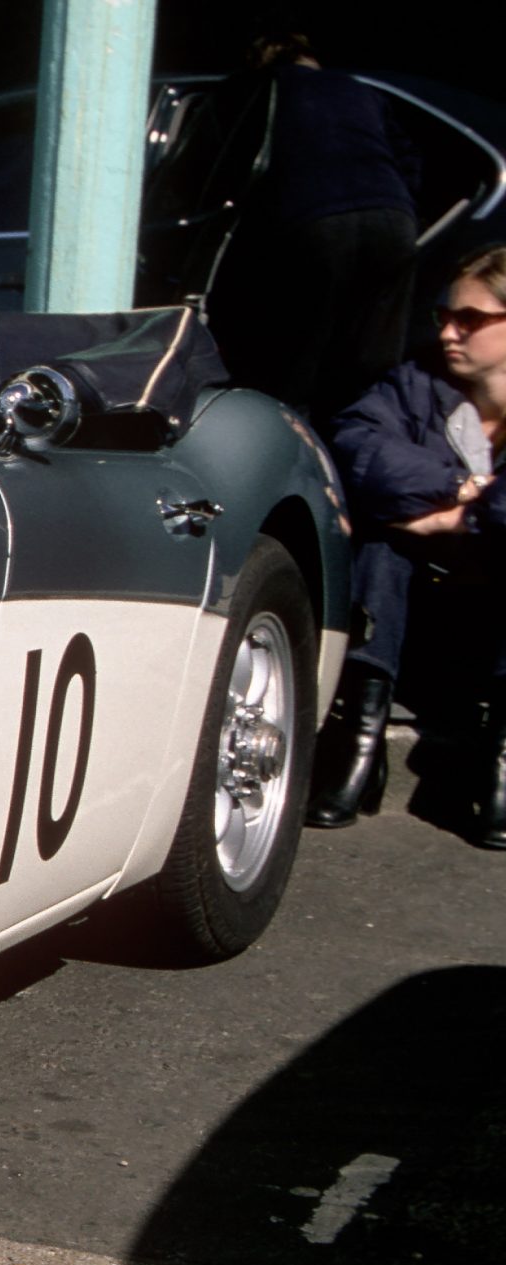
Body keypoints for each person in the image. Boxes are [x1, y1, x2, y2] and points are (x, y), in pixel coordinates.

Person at [306, 245, 506, 845]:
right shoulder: (416, 383)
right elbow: (355, 445)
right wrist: (456, 486)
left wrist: (457, 522)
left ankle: (501, 752)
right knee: (379, 541)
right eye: (444, 314)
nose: (448, 330)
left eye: (470, 320)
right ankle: (357, 736)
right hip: (416, 621)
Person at [207, 34, 421, 427]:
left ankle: (295, 457)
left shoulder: (255, 89)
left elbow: (222, 171)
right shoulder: (358, 89)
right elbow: (408, 162)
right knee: (372, 364)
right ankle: (373, 445)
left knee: (296, 362)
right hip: (393, 218)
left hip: (311, 222)